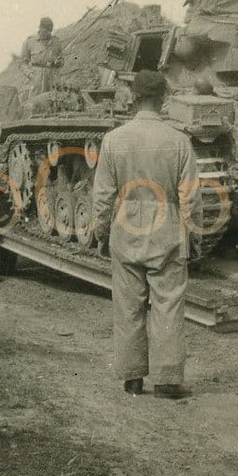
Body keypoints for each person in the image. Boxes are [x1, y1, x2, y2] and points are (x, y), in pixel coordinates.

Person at [92, 69, 199, 399]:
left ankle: (132, 379)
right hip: (166, 229)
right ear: (164, 98)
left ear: (134, 98)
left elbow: (102, 195)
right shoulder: (179, 140)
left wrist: (101, 231)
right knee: (167, 304)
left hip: (126, 230)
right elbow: (190, 196)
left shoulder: (114, 139)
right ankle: (167, 380)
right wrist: (191, 234)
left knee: (127, 307)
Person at [20, 16, 64, 97]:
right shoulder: (29, 42)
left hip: (53, 78)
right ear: (40, 28)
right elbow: (22, 63)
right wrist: (30, 74)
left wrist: (59, 62)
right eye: (46, 30)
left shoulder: (56, 42)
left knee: (54, 101)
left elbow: (62, 60)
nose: (48, 33)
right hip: (37, 78)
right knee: (36, 102)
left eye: (50, 31)